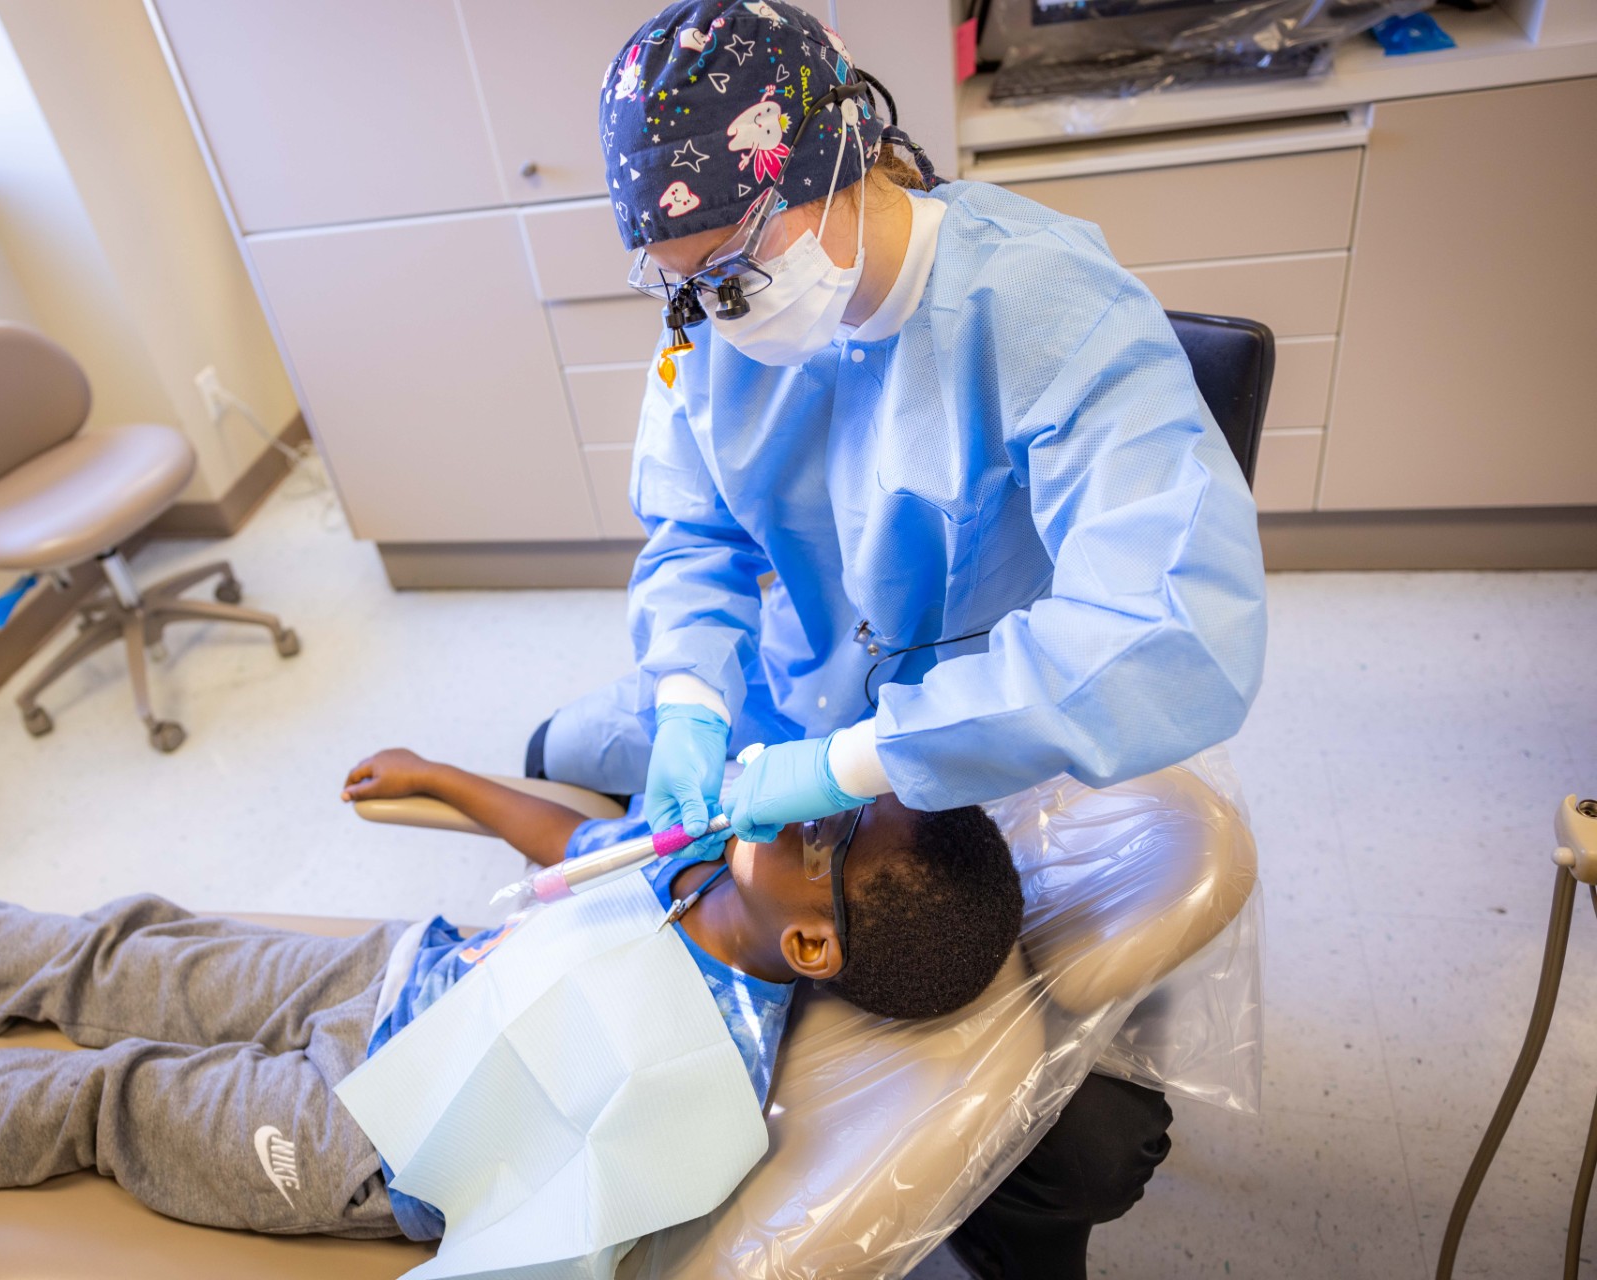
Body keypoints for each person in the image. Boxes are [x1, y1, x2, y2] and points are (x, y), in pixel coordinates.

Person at [530, 2, 1269, 1274]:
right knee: (556, 753)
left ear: (837, 157)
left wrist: (862, 762)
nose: (714, 312)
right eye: (684, 283)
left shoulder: (1046, 309)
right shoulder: (713, 323)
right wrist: (693, 696)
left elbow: (1172, 623)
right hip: (781, 703)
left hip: (992, 762)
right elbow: (695, 533)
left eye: (734, 270)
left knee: (1075, 1149)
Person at [0, 746, 1021, 1246]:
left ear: (813, 945)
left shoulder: (701, 1085)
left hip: (365, 1137)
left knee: (102, 1098)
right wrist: (446, 777)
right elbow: (579, 847)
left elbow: (556, 1233)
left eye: (830, 829)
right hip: (387, 972)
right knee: (129, 948)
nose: (803, 802)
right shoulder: (703, 863)